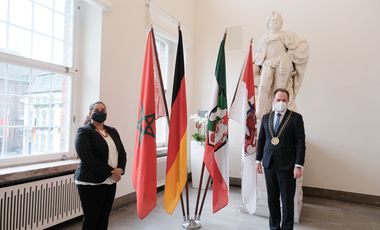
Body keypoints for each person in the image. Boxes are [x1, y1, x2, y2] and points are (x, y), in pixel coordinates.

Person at [256, 88, 305, 230]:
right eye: (278, 100)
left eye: (284, 100)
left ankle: (287, 227)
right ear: (273, 101)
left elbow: (301, 143)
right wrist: (258, 161)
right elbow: (261, 141)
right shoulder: (266, 118)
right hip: (269, 164)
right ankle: (274, 227)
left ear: (288, 101)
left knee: (287, 199)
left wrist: (298, 165)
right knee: (272, 199)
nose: (281, 102)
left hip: (288, 166)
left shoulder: (296, 118)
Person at [74, 101, 127, 230]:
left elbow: (122, 152)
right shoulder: (84, 131)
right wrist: (111, 172)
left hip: (110, 181)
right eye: (97, 110)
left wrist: (120, 169)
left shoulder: (112, 130)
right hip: (90, 182)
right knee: (92, 219)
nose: (100, 112)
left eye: (103, 110)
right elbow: (88, 158)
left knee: (104, 217)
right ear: (90, 113)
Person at [254, 12, 309, 120]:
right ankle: (262, 115)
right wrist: (253, 72)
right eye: (273, 21)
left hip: (282, 65)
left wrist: (288, 56)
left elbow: (302, 45)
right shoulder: (263, 40)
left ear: (281, 24)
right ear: (268, 23)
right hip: (268, 65)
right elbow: (257, 60)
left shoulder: (286, 35)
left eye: (278, 21)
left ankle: (279, 116)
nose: (276, 23)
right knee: (264, 88)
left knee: (280, 90)